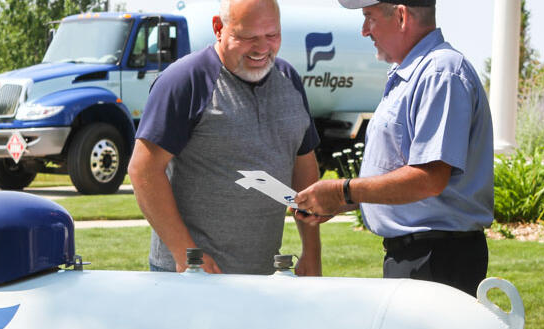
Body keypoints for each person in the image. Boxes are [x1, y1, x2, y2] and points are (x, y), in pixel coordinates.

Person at [295, 0, 493, 294]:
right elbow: (405, 173)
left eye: (369, 18)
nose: (364, 31)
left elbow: (430, 178)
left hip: (436, 259)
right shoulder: (416, 73)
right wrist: (343, 201)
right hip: (422, 257)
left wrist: (342, 190)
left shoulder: (441, 73)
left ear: (401, 16)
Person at [128, 0, 322, 276]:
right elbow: (143, 169)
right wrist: (186, 254)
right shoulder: (185, 81)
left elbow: (304, 167)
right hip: (192, 277)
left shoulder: (288, 79)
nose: (262, 48)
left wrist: (311, 253)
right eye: (248, 37)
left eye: (272, 35)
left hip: (264, 274)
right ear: (218, 28)